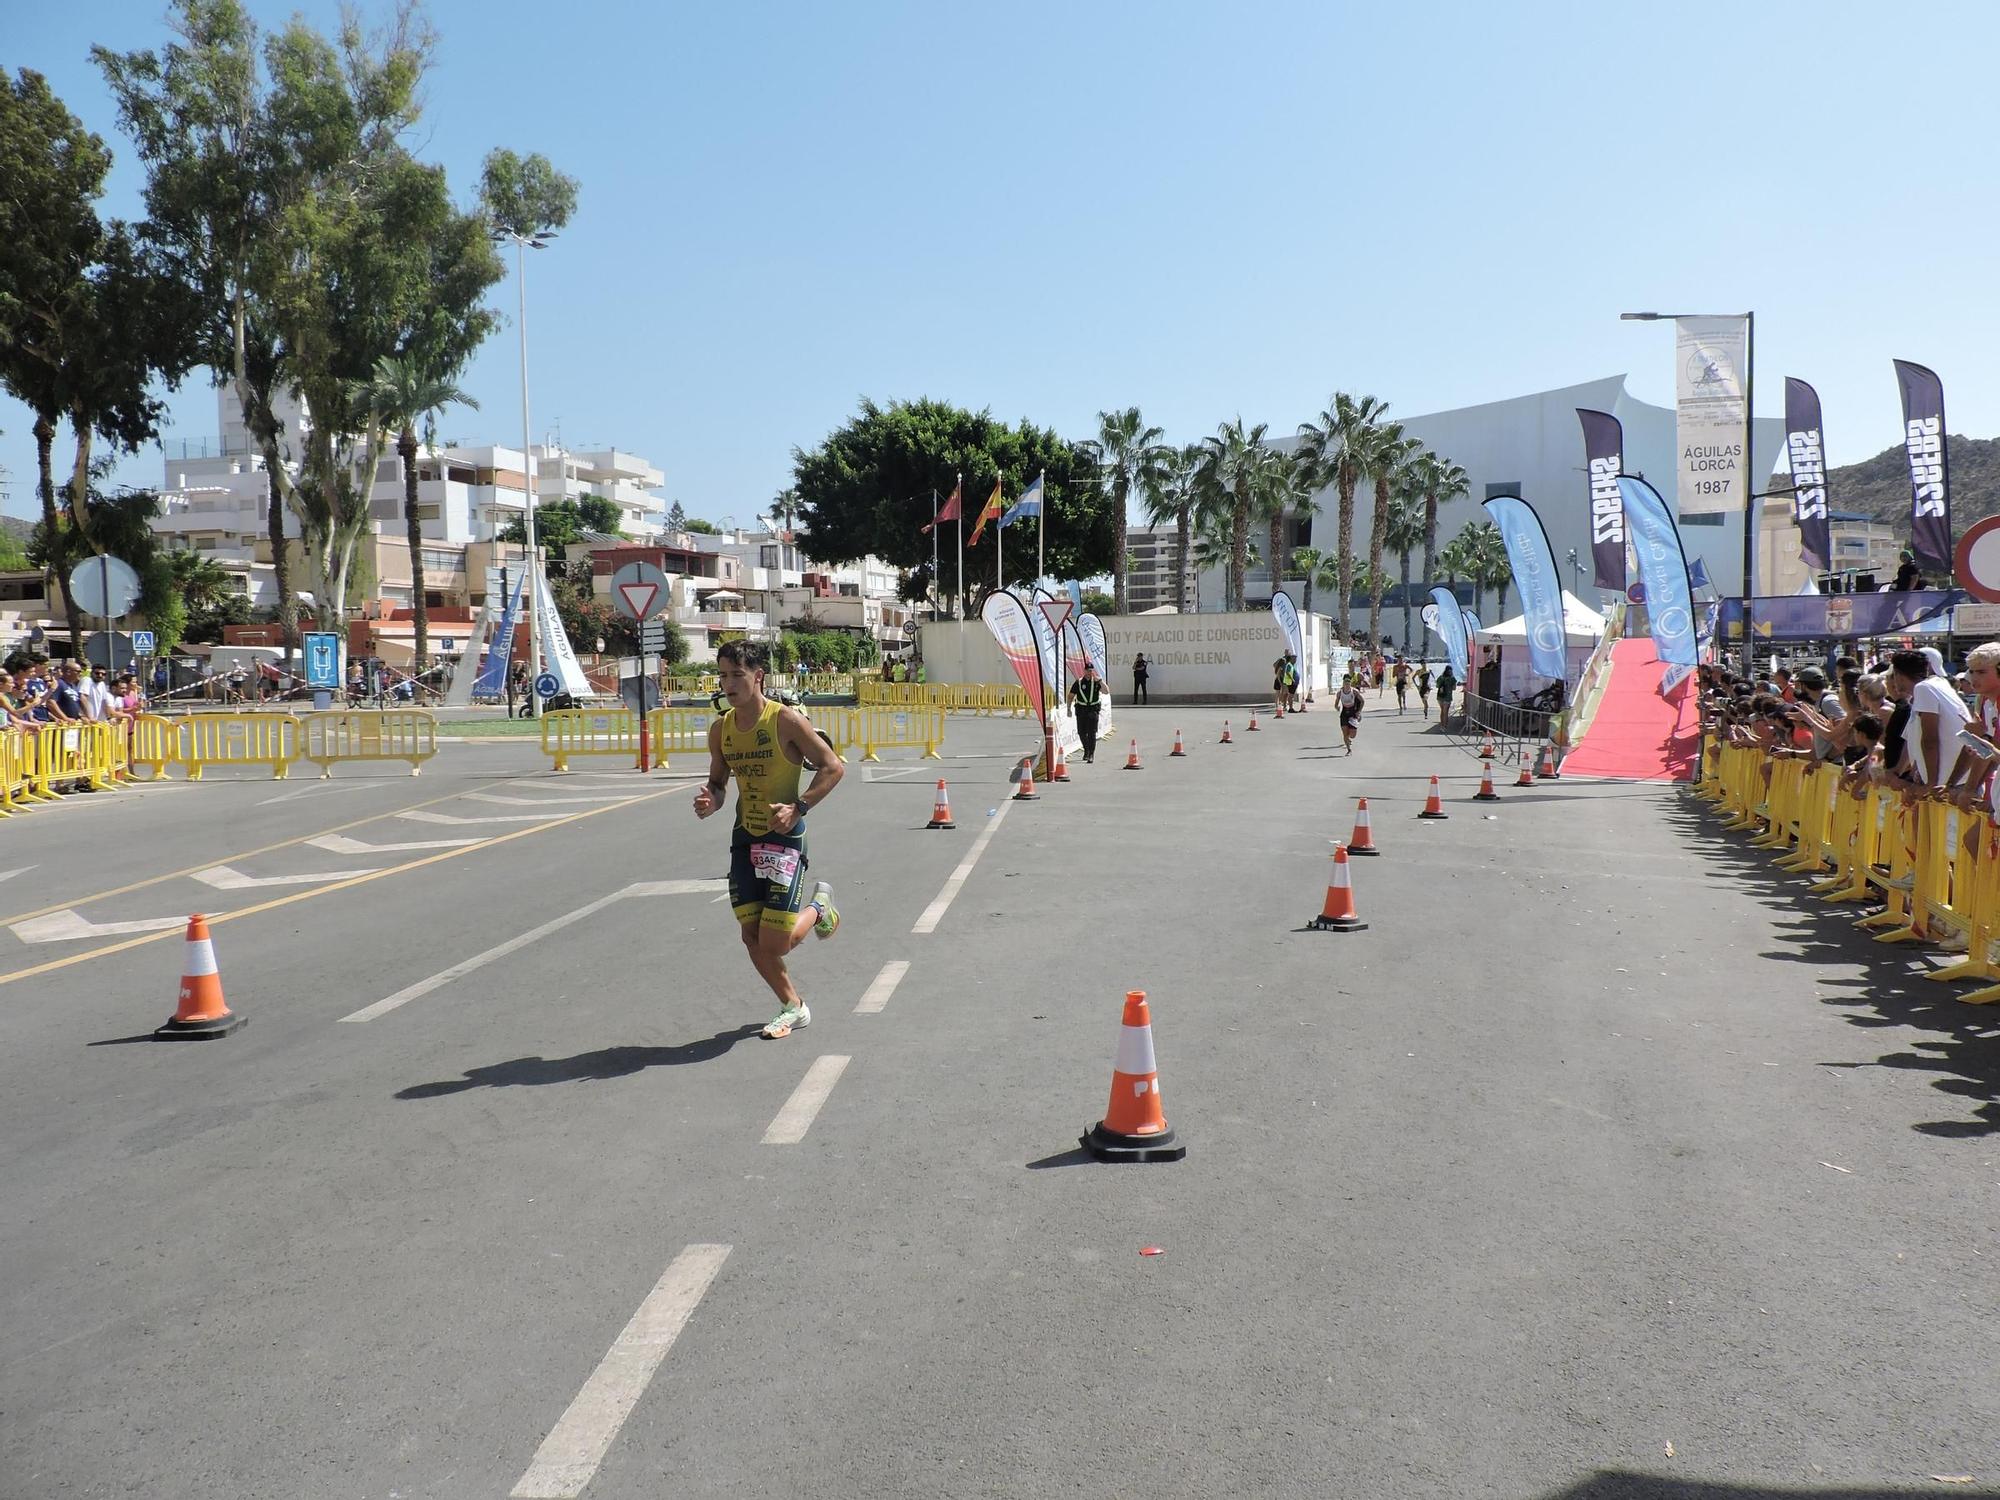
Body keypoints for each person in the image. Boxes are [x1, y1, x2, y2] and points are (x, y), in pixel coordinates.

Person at [694, 640, 846, 1040]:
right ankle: (792, 1006)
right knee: (751, 935)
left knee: (775, 942)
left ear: (757, 676)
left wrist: (798, 807)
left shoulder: (786, 721)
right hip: (745, 838)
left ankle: (819, 906)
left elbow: (833, 767)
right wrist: (712, 798)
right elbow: (718, 781)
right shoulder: (720, 730)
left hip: (784, 840)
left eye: (737, 675)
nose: (728, 684)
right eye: (723, 675)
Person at [1068, 663, 1106, 763]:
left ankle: (1091, 754)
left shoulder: (1096, 682)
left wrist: (1101, 681)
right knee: (1081, 732)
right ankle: (1087, 750)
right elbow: (1071, 696)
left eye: (1091, 670)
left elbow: (1106, 691)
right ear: (1084, 671)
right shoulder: (1079, 682)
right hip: (1081, 710)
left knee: (1092, 733)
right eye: (1088, 670)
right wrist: (1068, 708)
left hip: (1093, 710)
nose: (1090, 672)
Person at [1336, 672, 1364, 755]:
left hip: (1353, 713)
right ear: (1343, 682)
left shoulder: (1354, 691)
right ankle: (1349, 750)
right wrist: (1337, 707)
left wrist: (1359, 711)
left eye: (1348, 681)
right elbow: (1336, 703)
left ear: (1350, 682)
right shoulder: (1340, 692)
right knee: (1345, 733)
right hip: (1344, 713)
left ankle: (1349, 736)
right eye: (1345, 681)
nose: (1347, 683)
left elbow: (1362, 701)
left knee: (1352, 735)